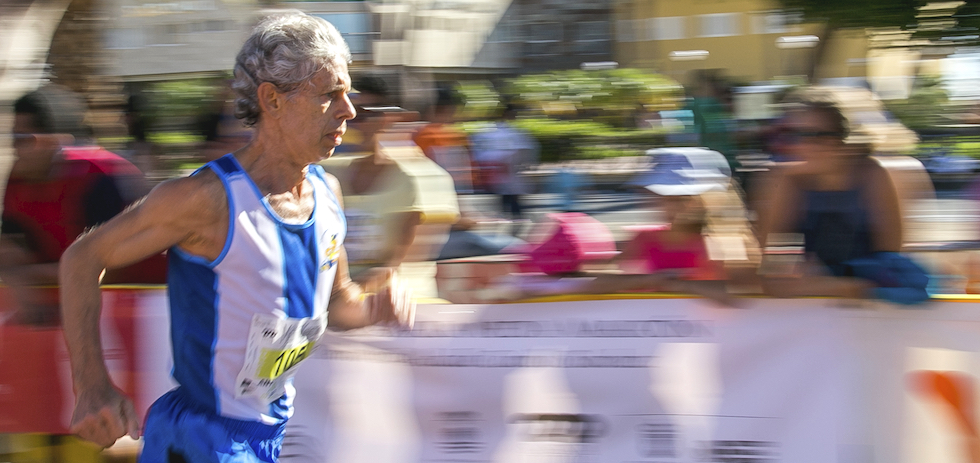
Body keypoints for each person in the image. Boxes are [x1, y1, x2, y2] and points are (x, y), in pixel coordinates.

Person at [59, 11, 414, 462]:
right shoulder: (205, 199)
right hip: (199, 438)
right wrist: (91, 386)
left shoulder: (327, 193)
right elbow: (82, 259)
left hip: (270, 436)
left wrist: (375, 306)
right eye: (330, 95)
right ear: (272, 99)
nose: (349, 111)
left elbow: (338, 304)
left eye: (349, 94)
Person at [1, 84, 159, 326]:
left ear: (57, 140)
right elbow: (9, 246)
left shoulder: (99, 177)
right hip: (69, 304)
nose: (15, 148)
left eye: (25, 139)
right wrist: (18, 276)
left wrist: (25, 276)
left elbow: (107, 266)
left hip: (144, 303)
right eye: (13, 138)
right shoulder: (19, 177)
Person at [754, 86, 924, 302]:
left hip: (868, 313)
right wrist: (843, 286)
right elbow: (775, 278)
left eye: (809, 135)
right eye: (790, 135)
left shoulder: (871, 174)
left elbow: (889, 262)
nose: (795, 145)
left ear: (837, 139)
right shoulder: (784, 181)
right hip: (808, 310)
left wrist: (825, 283)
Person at [469, 103, 538, 222]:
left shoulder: (484, 132)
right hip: (508, 167)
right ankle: (515, 218)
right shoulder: (514, 133)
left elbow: (475, 150)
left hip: (492, 169)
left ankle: (509, 217)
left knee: (504, 197)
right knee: (511, 197)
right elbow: (523, 150)